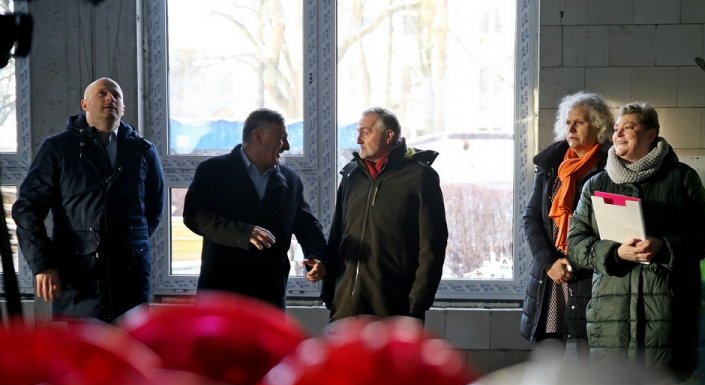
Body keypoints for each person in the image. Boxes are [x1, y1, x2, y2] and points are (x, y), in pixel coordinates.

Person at [567, 102, 705, 380]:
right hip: (612, 317)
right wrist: (614, 254)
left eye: (629, 127)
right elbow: (574, 244)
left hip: (667, 315)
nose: (619, 134)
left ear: (651, 134)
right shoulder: (595, 184)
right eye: (616, 129)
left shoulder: (682, 179)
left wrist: (665, 246)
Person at [12, 77, 164, 322]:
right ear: (84, 104)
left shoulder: (143, 151)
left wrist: (130, 243)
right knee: (83, 358)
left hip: (130, 283)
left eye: (116, 95)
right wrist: (43, 263)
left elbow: (153, 210)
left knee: (131, 356)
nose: (110, 99)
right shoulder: (58, 148)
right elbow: (27, 208)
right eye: (102, 94)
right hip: (78, 281)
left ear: (123, 108)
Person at [183, 108, 327, 310]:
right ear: (258, 136)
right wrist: (243, 233)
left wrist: (317, 255)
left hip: (269, 294)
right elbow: (195, 216)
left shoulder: (291, 180)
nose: (287, 146)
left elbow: (307, 224)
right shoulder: (213, 171)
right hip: (222, 291)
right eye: (282, 138)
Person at [322, 107, 447, 321]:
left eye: (365, 132)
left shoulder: (420, 177)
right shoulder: (351, 175)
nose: (358, 140)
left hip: (395, 306)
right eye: (357, 132)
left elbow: (433, 243)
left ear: (389, 135)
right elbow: (336, 236)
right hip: (346, 305)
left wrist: (419, 298)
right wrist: (329, 290)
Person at [520, 92, 614, 351]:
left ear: (599, 127)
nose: (570, 128)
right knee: (550, 355)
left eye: (579, 122)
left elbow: (610, 229)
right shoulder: (552, 165)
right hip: (551, 274)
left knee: (589, 356)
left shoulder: (611, 168)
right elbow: (531, 219)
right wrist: (550, 262)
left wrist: (576, 263)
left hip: (589, 276)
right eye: (567, 122)